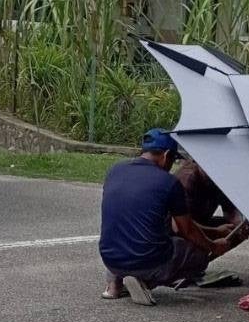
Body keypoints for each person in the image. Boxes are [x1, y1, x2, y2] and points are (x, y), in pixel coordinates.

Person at [99, 128, 232, 306]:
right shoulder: (168, 182)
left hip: (110, 257)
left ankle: (115, 282)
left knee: (132, 229)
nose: (172, 165)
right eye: (173, 159)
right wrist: (213, 245)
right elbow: (186, 230)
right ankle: (144, 281)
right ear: (166, 155)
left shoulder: (115, 170)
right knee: (198, 255)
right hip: (146, 261)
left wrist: (215, 230)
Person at [174, 159, 249, 246]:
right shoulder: (187, 179)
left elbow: (229, 210)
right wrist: (216, 232)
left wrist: (240, 224)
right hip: (179, 231)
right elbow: (180, 226)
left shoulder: (217, 178)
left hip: (201, 223)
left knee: (235, 231)